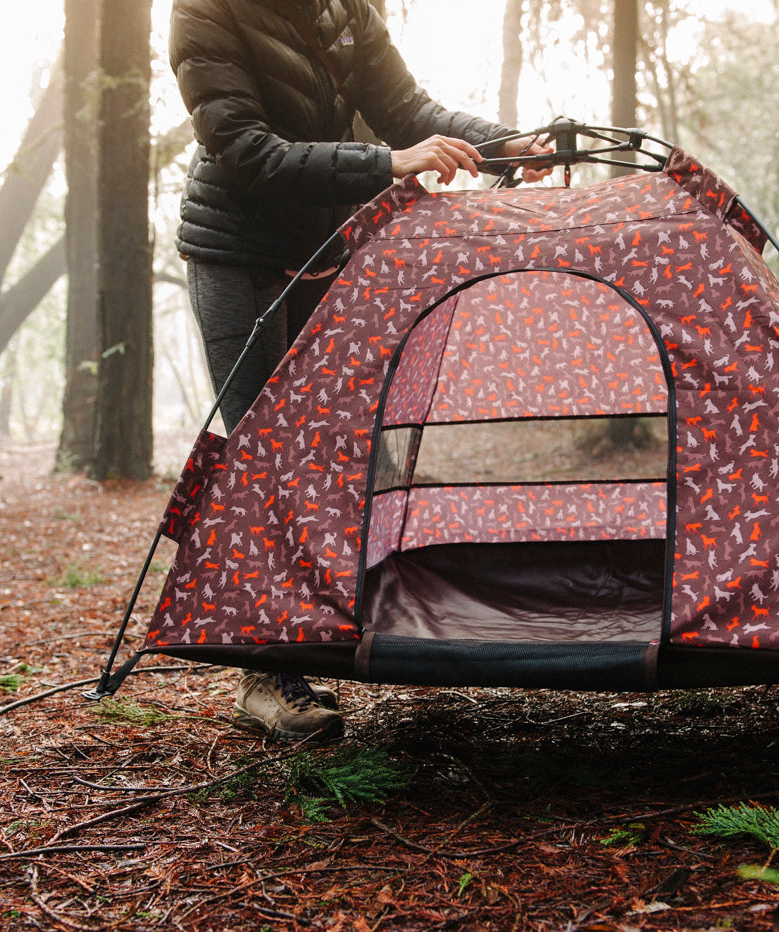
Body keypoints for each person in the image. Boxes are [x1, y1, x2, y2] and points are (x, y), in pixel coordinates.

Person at [169, 0, 551, 742]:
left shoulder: (345, 6)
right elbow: (243, 148)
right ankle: (268, 674)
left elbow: (404, 108)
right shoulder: (204, 11)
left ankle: (329, 625)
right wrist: (388, 163)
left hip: (326, 248)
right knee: (261, 458)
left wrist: (505, 145)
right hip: (237, 253)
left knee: (332, 451)